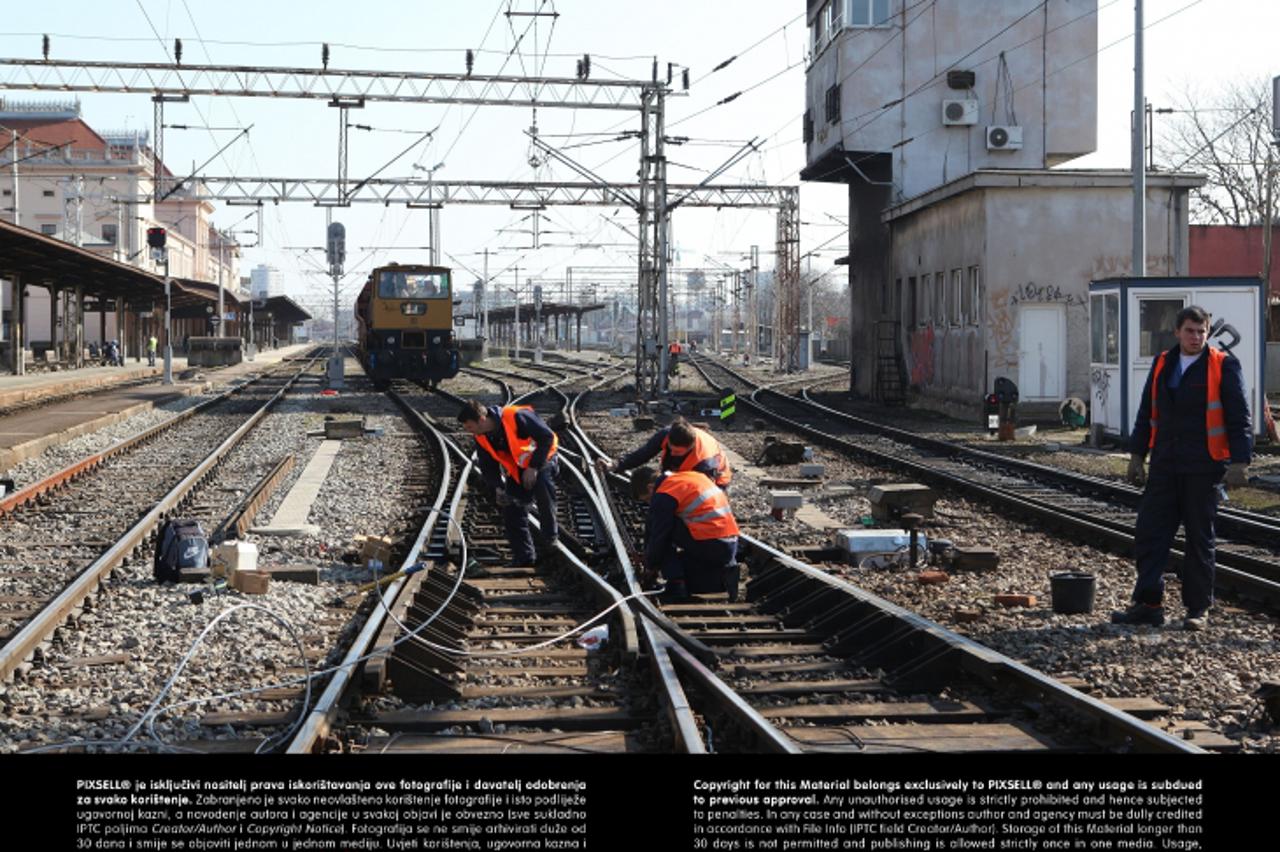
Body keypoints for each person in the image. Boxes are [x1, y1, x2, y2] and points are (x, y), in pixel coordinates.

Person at [1112, 305, 1252, 631]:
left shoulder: (1223, 366)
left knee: (1199, 540)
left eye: (1201, 331)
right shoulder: (1163, 363)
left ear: (1207, 333)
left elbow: (1238, 416)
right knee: (1149, 534)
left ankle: (1197, 609)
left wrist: (1240, 462)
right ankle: (1148, 603)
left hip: (1203, 468)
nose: (1196, 337)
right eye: (1190, 331)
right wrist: (1137, 455)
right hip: (1165, 464)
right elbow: (1147, 411)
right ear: (1177, 332)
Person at [458, 399, 560, 566]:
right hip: (519, 468)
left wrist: (533, 467)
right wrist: (498, 487)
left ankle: (550, 537)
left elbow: (547, 437)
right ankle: (524, 557)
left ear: (481, 420)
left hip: (543, 459)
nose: (469, 431)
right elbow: (487, 465)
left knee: (542, 487)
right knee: (511, 507)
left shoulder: (516, 415)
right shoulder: (481, 437)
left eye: (470, 426)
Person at [630, 466, 740, 603]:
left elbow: (659, 535)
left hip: (713, 544)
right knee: (667, 526)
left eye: (647, 499)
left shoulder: (664, 493)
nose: (649, 504)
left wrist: (650, 563)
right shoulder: (688, 477)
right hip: (730, 544)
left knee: (663, 530)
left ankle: (676, 584)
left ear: (651, 487)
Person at [597, 416, 732, 491]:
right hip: (686, 470)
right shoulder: (667, 434)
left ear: (690, 447)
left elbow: (705, 492)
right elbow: (643, 454)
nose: (672, 454)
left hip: (717, 480)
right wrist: (614, 465)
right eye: (670, 449)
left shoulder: (704, 462)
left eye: (677, 452)